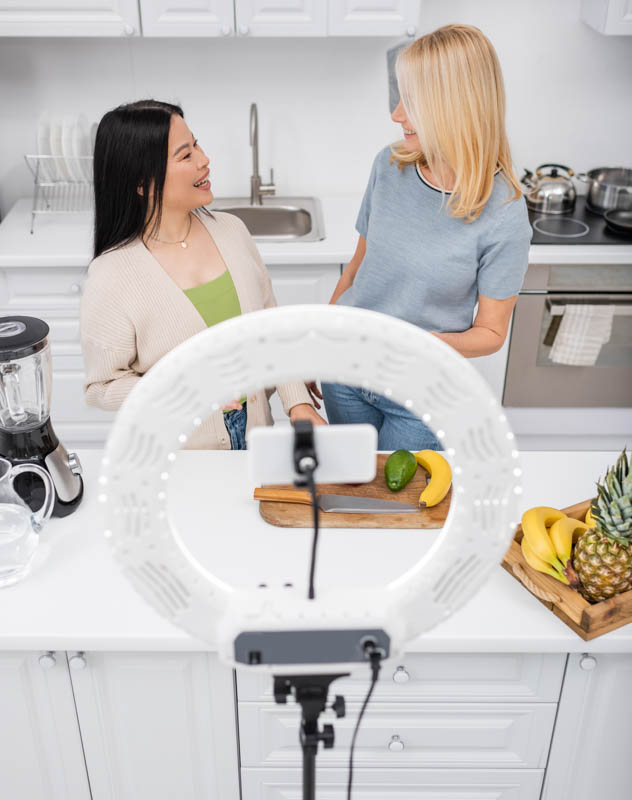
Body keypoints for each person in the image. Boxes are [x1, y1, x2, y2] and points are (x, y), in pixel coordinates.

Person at [322, 24, 532, 450]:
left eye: (411, 102)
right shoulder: (390, 165)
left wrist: (416, 345)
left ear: (454, 107)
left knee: (400, 505)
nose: (396, 114)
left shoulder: (504, 212)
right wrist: (322, 342)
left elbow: (490, 333)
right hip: (345, 371)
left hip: (420, 394)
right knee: (347, 496)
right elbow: (357, 271)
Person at [80, 99, 324, 450]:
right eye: (185, 155)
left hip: (259, 436)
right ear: (142, 183)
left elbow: (270, 330)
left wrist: (297, 402)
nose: (203, 159)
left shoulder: (232, 231)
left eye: (196, 144)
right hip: (180, 454)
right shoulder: (113, 274)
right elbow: (100, 388)